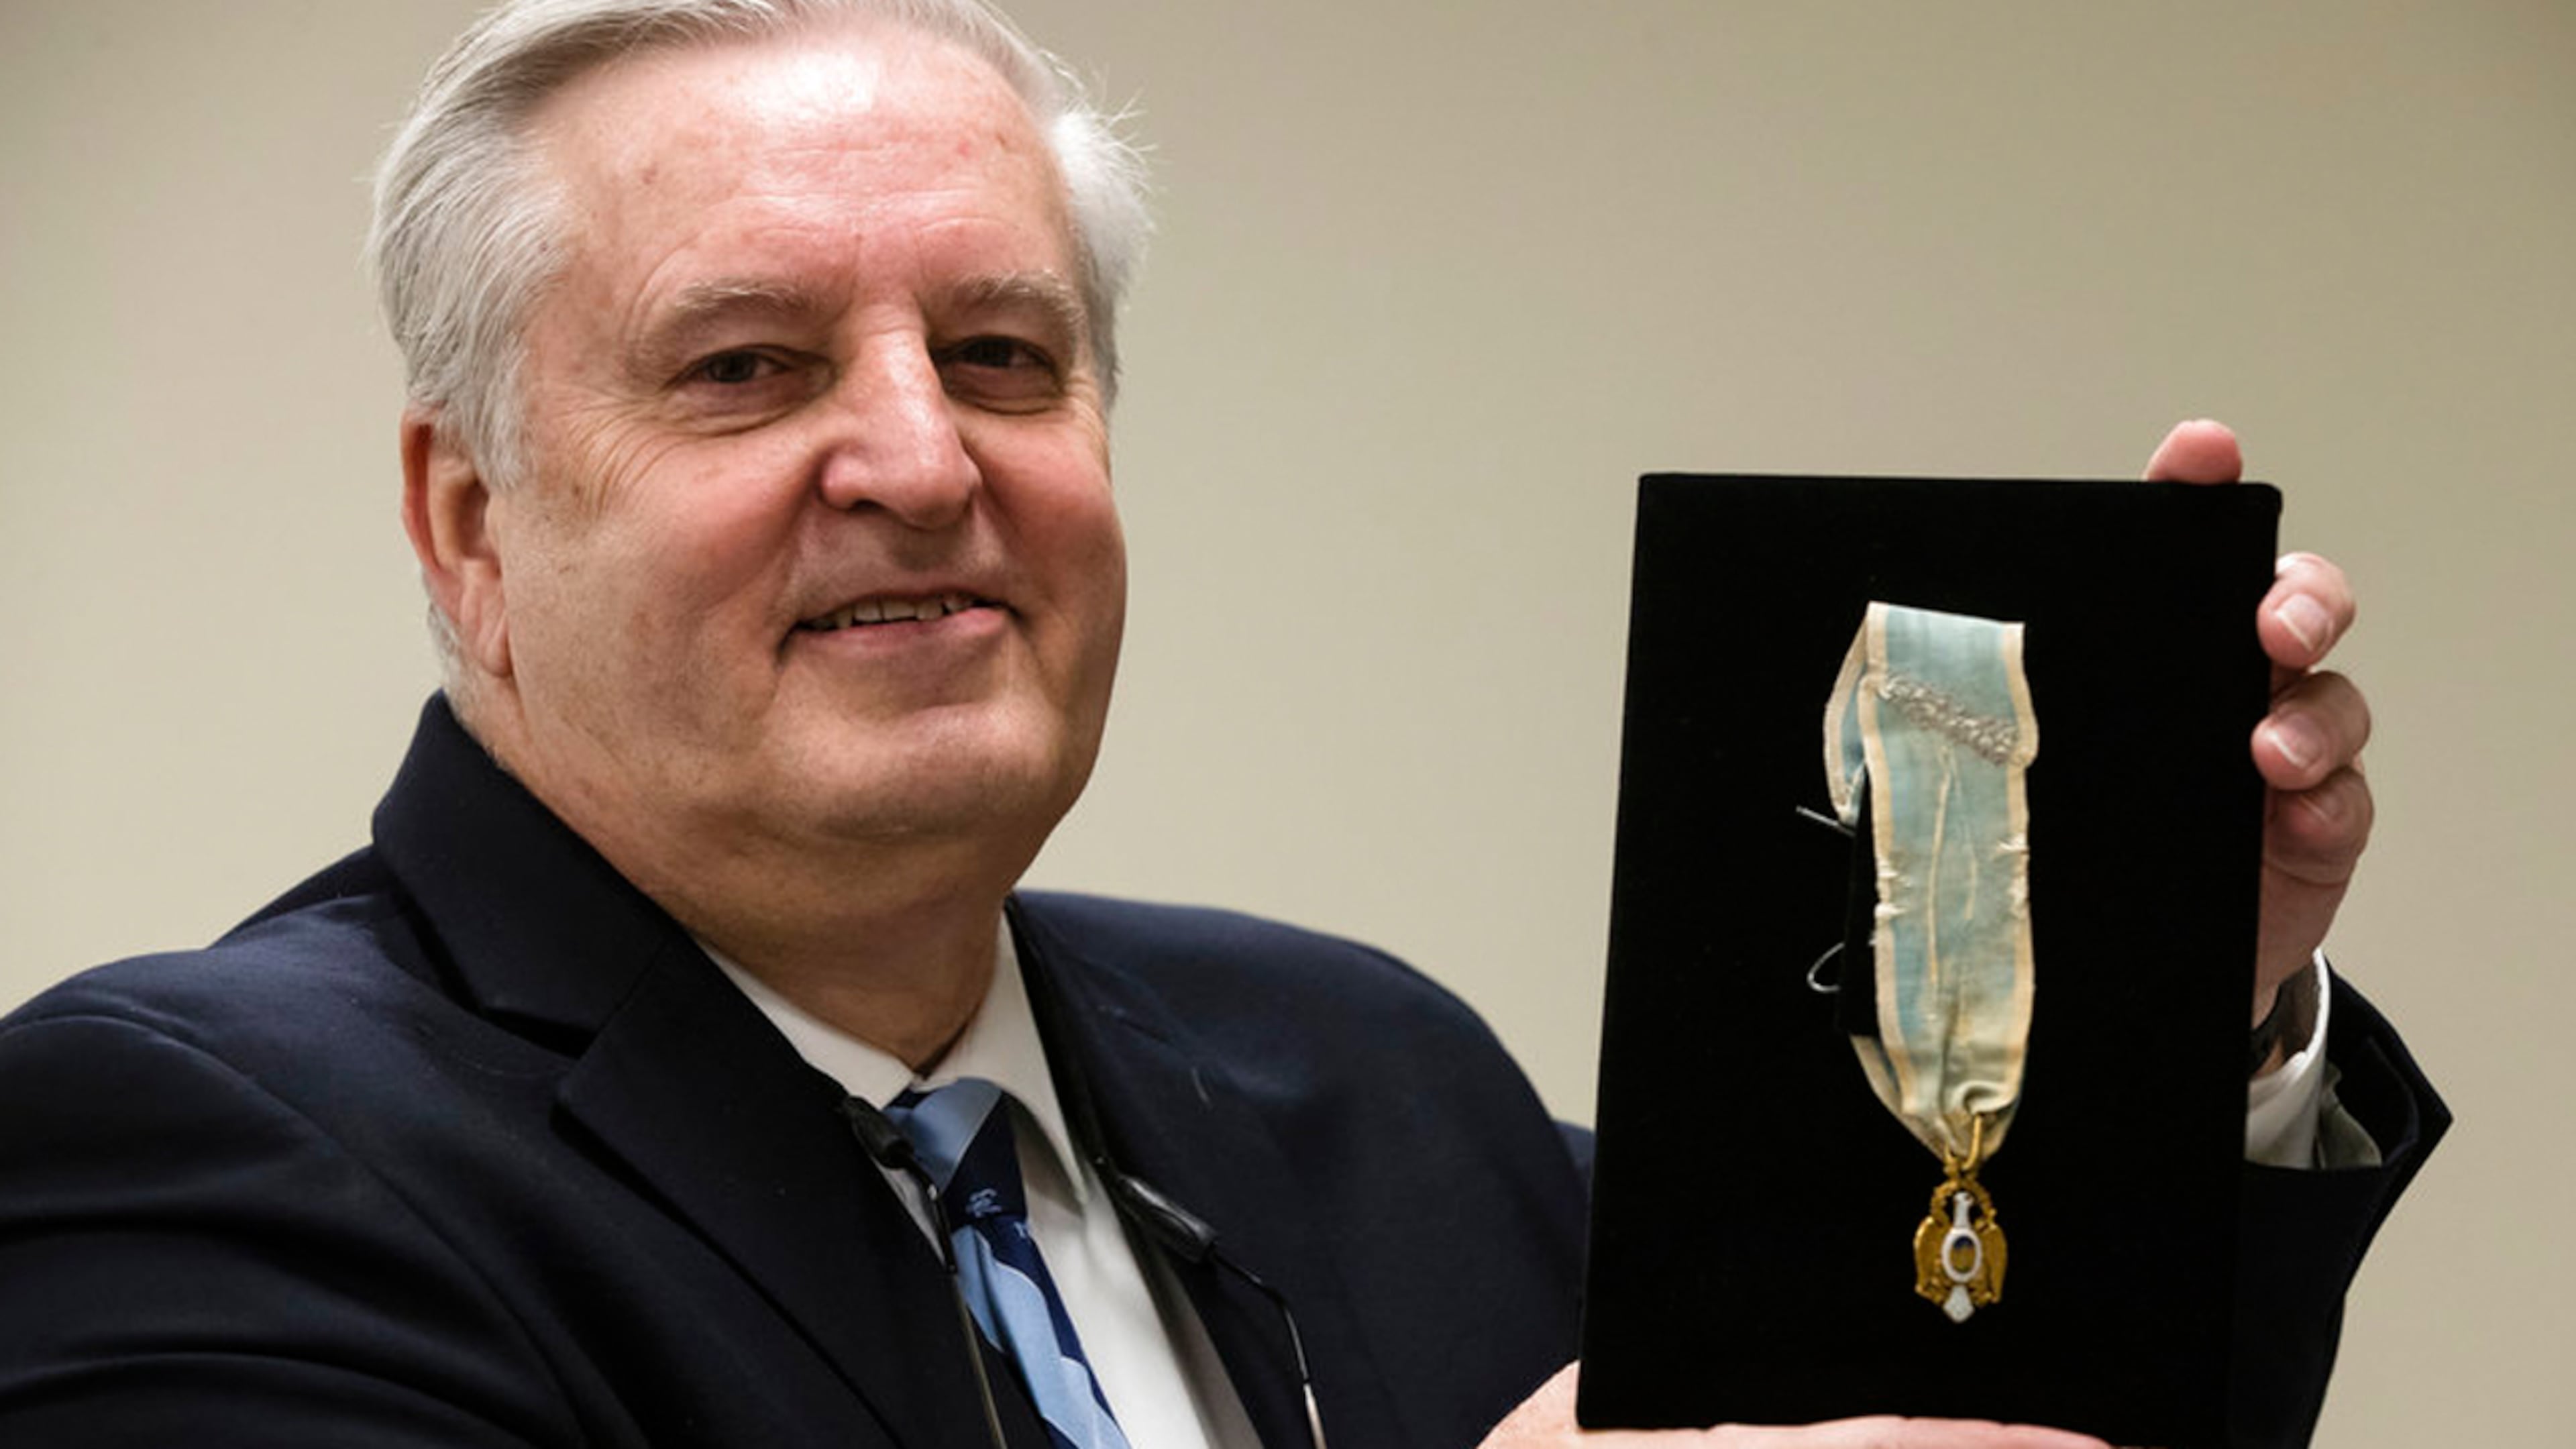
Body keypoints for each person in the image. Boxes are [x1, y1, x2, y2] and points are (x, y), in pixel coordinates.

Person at [0, 1, 2437, 1446]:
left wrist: (2151, 1011)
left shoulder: (1366, 1073)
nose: (924, 460)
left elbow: (1961, 1405)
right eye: (745, 367)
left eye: (1004, 356)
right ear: (468, 520)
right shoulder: (190, 1152)